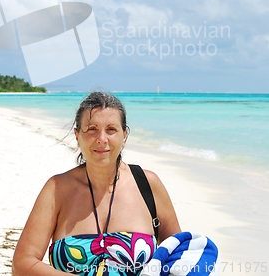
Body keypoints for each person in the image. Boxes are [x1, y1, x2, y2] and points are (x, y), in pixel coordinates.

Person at [12, 92, 181, 276]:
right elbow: (22, 264)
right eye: (92, 129)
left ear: (124, 136)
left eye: (111, 130)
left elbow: (180, 256)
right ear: (77, 136)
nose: (102, 138)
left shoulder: (148, 185)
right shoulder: (57, 189)